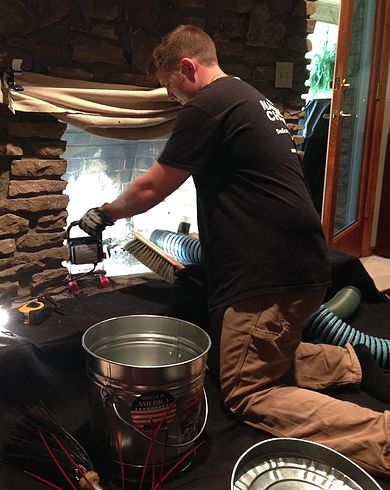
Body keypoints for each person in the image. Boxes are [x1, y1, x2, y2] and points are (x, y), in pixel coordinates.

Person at [79, 25, 390, 476]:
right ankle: (351, 361)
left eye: (169, 85)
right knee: (244, 359)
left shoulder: (206, 106)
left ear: (188, 67)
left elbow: (151, 187)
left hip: (269, 278)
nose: (170, 98)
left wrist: (102, 214)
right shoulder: (249, 98)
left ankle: (381, 438)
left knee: (246, 394)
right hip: (299, 264)